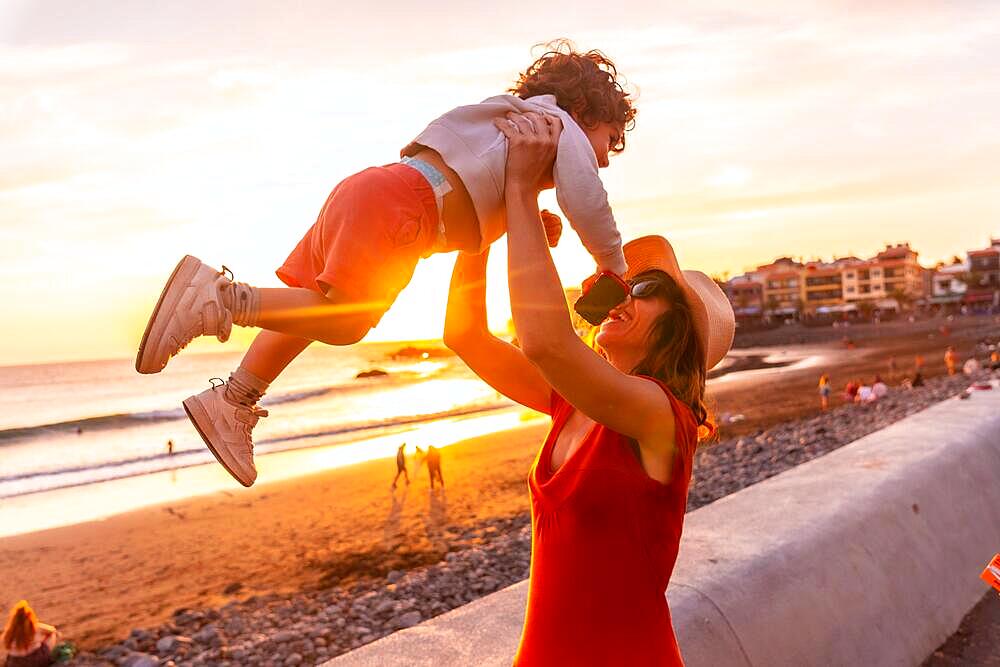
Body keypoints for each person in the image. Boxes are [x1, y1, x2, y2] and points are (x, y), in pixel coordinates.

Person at [132, 43, 637, 488]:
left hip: (379, 190)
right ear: (584, 111)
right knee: (349, 320)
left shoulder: (499, 126)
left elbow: (477, 190)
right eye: (608, 140)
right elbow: (588, 200)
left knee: (315, 310)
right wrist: (611, 264)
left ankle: (236, 398)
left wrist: (518, 222)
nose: (606, 160)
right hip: (410, 210)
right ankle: (221, 300)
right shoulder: (558, 126)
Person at [443, 111, 735, 664]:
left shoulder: (660, 417)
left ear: (676, 327)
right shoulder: (570, 403)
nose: (621, 294)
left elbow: (547, 342)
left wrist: (522, 191)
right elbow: (464, 333)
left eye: (644, 288)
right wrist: (487, 228)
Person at [3, 601, 58, 667]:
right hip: (35, 661)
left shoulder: (9, 631)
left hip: (14, 663)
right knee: (51, 635)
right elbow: (52, 630)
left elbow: (6, 646)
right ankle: (47, 657)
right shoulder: (34, 628)